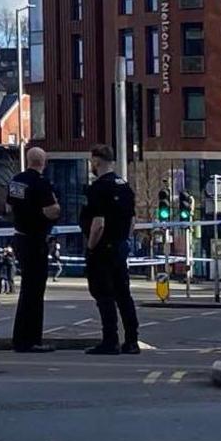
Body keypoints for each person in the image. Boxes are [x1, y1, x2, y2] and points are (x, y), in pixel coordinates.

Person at [79, 144, 139, 355]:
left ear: (96, 161)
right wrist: (123, 240)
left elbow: (98, 223)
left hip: (103, 249)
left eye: (92, 161)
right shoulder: (125, 186)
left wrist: (91, 246)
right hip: (120, 247)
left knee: (104, 295)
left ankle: (110, 340)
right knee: (124, 294)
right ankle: (132, 341)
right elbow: (132, 222)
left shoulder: (97, 188)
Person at [7, 146, 61, 352]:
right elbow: (52, 210)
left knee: (27, 290)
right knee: (35, 292)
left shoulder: (16, 181)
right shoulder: (42, 183)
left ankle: (20, 337)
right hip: (35, 240)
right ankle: (31, 340)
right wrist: (53, 211)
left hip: (19, 237)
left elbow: (9, 206)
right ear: (43, 163)